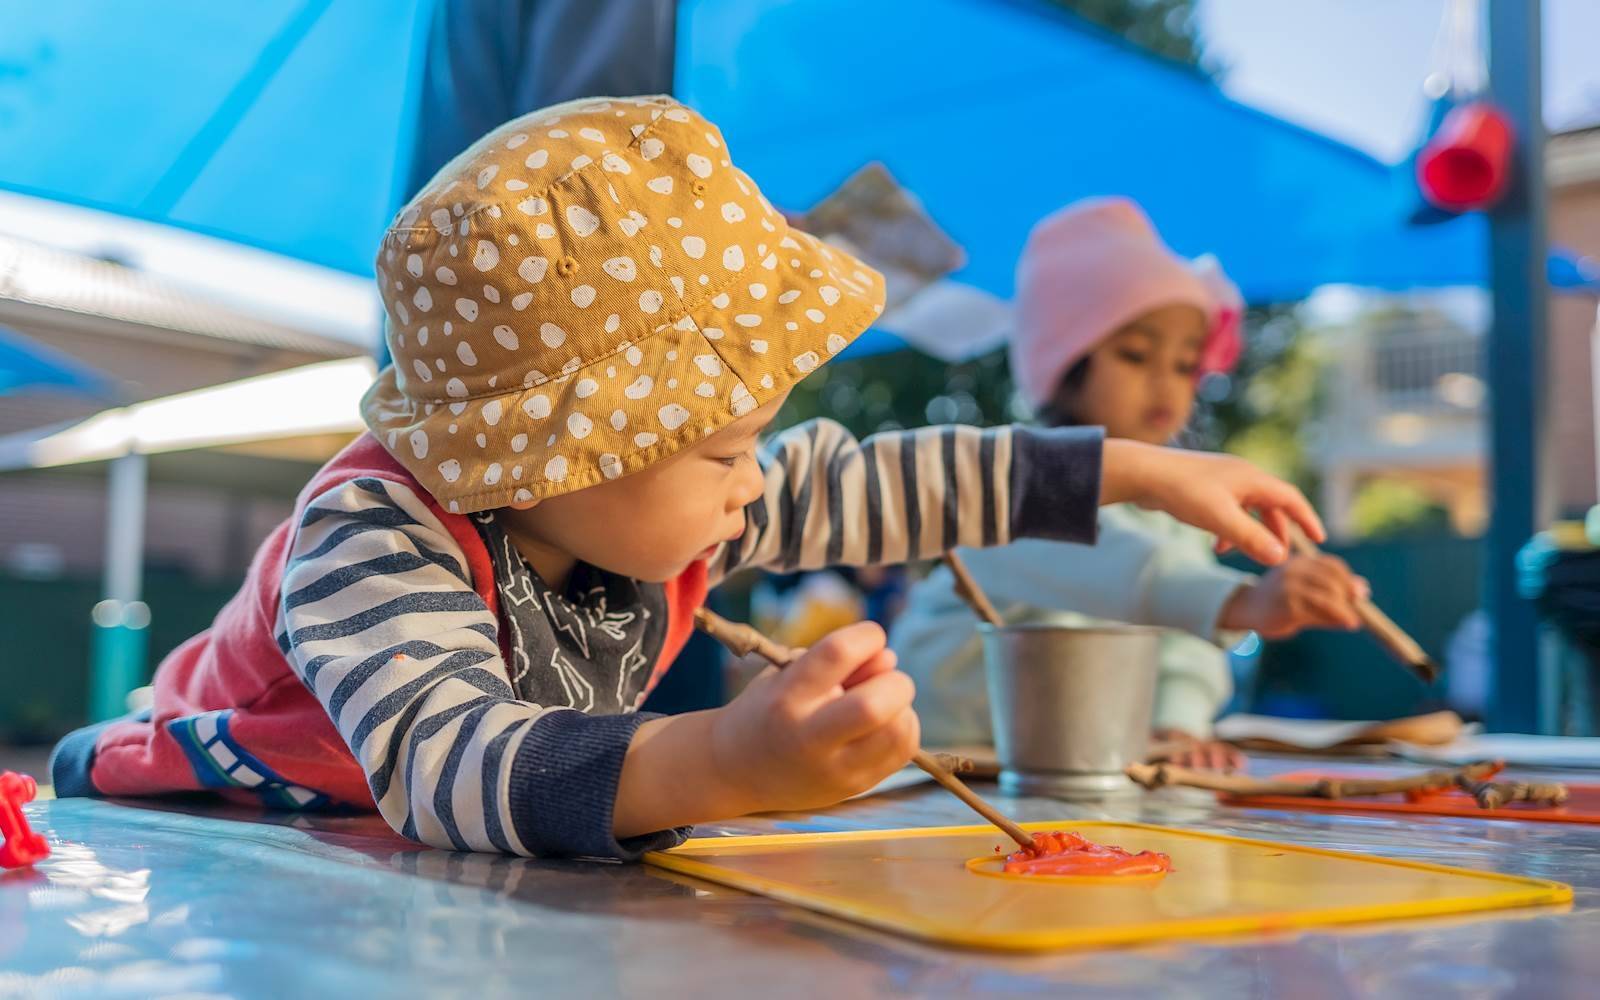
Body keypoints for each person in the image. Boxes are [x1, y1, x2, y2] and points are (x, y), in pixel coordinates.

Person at [52, 103, 1324, 858]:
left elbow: (895, 483)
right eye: (725, 448)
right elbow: (447, 756)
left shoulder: (662, 496)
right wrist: (720, 765)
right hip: (221, 833)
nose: (756, 481)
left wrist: (1139, 471)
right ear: (552, 453)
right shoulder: (373, 533)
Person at [893, 198, 1366, 771]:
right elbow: (1110, 567)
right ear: (1062, 365)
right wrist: (1242, 601)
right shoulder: (1014, 477)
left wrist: (1178, 726)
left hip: (1066, 764)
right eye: (1136, 354)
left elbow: (1185, 640)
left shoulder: (1174, 515)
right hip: (937, 762)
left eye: (1186, 365)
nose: (1167, 386)